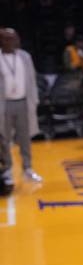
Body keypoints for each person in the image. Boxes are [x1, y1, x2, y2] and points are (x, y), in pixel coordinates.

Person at [0, 28, 42, 187]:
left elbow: (31, 79)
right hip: (4, 104)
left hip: (23, 102)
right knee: (4, 138)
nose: (11, 42)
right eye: (7, 39)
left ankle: (28, 168)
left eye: (14, 38)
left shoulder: (25, 57)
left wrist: (34, 100)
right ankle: (8, 170)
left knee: (25, 137)